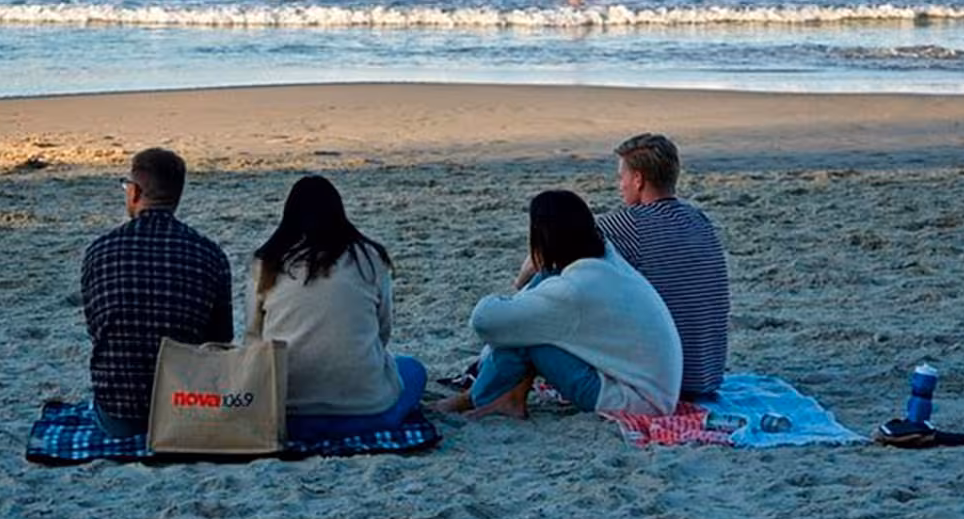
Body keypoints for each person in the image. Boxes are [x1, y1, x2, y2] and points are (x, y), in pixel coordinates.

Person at [435, 190, 681, 420]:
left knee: (528, 335)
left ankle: (478, 398)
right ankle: (509, 397)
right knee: (532, 319)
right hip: (655, 389)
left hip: (638, 401)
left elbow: (484, 321)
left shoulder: (572, 290)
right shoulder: (606, 258)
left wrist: (520, 285)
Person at [250, 175, 426, 442]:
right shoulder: (370, 258)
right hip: (366, 411)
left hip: (286, 412)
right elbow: (382, 330)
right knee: (412, 370)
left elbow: (254, 338)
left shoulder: (267, 263)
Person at [81, 148, 233, 437]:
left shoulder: (100, 252)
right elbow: (220, 341)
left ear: (135, 192)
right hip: (187, 410)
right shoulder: (209, 254)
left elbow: (96, 329)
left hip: (119, 413)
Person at [595, 133, 730, 398]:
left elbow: (557, 240)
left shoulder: (629, 223)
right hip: (706, 375)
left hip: (667, 380)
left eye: (621, 177)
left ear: (638, 179)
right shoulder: (698, 219)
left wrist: (521, 283)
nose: (619, 185)